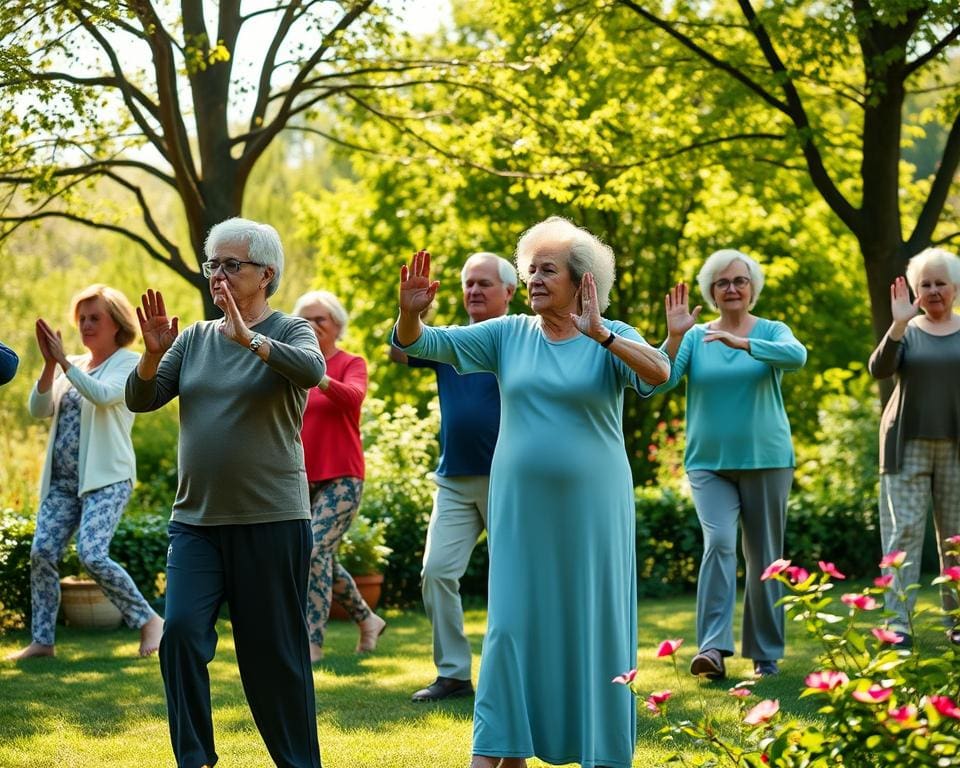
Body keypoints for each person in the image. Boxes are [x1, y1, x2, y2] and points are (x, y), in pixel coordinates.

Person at [394, 217, 670, 768]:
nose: (535, 279)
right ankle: (498, 748)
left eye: (549, 270)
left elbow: (659, 373)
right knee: (511, 627)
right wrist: (409, 313)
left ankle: (603, 752)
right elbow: (424, 344)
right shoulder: (508, 333)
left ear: (582, 281)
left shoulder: (610, 333)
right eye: (531, 270)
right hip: (521, 510)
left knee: (595, 624)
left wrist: (603, 335)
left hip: (595, 510)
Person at [125, 218, 324, 768]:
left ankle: (299, 763)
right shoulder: (191, 339)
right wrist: (150, 354)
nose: (218, 274)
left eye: (230, 265)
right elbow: (141, 400)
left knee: (274, 659)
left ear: (266, 274)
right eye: (212, 264)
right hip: (196, 523)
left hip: (272, 519)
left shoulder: (290, 330)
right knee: (181, 636)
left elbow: (312, 372)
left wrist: (251, 340)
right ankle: (194, 759)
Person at [659, 250, 807, 681]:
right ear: (711, 291)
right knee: (719, 543)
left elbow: (796, 357)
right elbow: (662, 379)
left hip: (768, 460)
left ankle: (765, 654)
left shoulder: (773, 331)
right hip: (709, 464)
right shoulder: (694, 337)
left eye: (740, 281)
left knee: (765, 556)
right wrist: (672, 337)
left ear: (752, 288)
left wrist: (743, 344)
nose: (732, 288)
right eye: (722, 282)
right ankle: (712, 649)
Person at [6, 285, 164, 662]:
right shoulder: (70, 364)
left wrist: (64, 364)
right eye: (82, 318)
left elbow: (105, 396)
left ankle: (150, 620)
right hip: (61, 484)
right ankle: (43, 641)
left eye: (96, 317)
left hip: (107, 478)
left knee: (92, 555)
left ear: (117, 324)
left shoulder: (129, 362)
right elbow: (39, 410)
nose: (86, 324)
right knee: (42, 552)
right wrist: (50, 364)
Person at [389, 251, 516, 702]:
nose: (475, 291)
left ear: (510, 292)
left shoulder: (520, 338)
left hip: (511, 479)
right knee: (436, 572)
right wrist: (411, 312)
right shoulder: (451, 341)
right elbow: (399, 350)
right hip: (455, 479)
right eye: (469, 284)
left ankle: (516, 671)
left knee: (515, 578)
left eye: (485, 283)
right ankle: (454, 674)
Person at [869, 247, 960, 645]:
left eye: (941, 282)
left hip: (957, 447)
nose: (934, 290)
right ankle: (898, 625)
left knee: (956, 539)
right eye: (926, 284)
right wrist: (897, 327)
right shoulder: (908, 330)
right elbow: (880, 370)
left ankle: (957, 623)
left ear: (955, 288)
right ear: (914, 290)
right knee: (903, 534)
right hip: (906, 443)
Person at [292, 289, 386, 663]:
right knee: (319, 554)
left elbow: (353, 398)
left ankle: (313, 642)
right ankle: (367, 619)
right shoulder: (292, 368)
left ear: (337, 327)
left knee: (313, 550)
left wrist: (320, 378)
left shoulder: (351, 362)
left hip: (343, 477)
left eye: (321, 320)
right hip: (299, 477)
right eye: (306, 320)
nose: (314, 326)